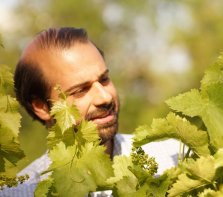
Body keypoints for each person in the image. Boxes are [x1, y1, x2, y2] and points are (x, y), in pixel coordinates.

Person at [0, 27, 181, 197]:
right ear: (42, 107)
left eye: (104, 80)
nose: (105, 97)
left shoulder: (173, 159)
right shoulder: (20, 192)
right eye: (80, 90)